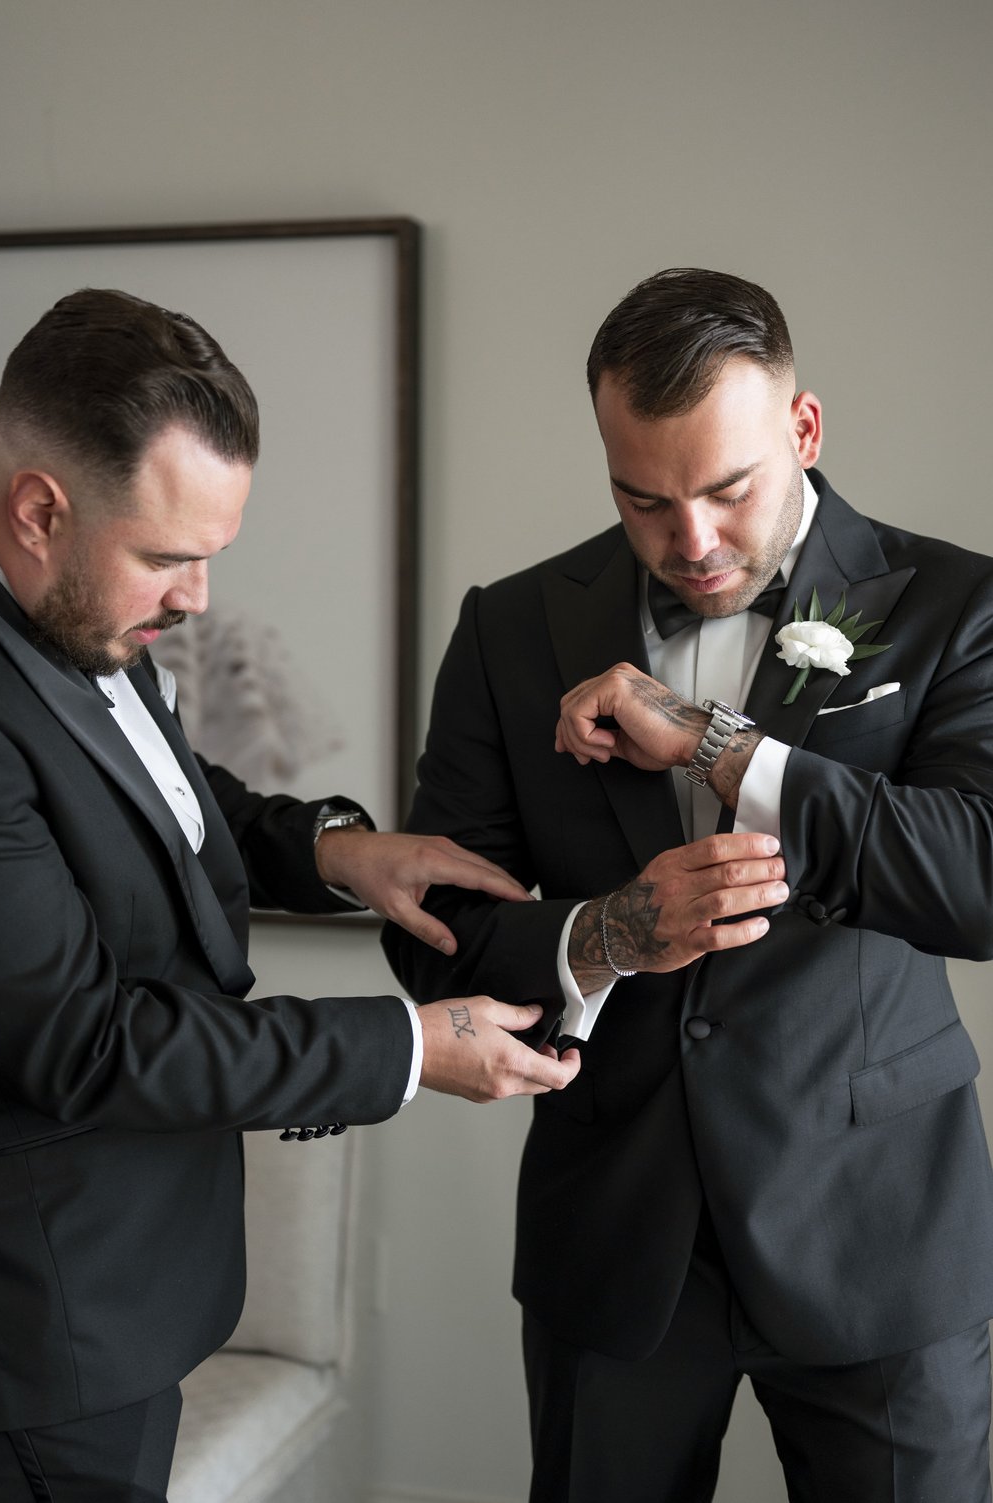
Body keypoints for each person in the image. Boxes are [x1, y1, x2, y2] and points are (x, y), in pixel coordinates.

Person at [382, 267, 993, 1502]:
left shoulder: (953, 605)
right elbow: (433, 923)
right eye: (643, 499)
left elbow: (976, 877)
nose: (692, 542)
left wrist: (724, 750)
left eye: (727, 489)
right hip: (615, 1237)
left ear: (803, 430)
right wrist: (604, 935)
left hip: (877, 1229)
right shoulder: (509, 628)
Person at [0, 288, 580, 1502]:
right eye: (169, 559)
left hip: (123, 1308)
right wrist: (411, 1050)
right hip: (42, 1348)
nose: (197, 599)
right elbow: (87, 1044)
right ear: (40, 510)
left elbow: (146, 793)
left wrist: (327, 851)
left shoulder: (76, 623)